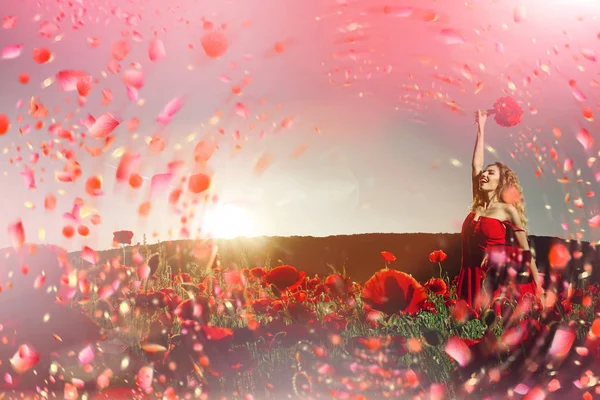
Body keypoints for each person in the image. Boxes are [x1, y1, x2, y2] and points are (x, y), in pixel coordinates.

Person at [457, 109, 542, 312]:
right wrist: (481, 127)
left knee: (490, 329)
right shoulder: (477, 204)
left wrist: (538, 285)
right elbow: (474, 165)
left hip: (494, 282)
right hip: (469, 277)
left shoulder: (507, 211)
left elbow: (524, 250)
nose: (484, 174)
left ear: (500, 181)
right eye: (484, 172)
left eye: (491, 172)